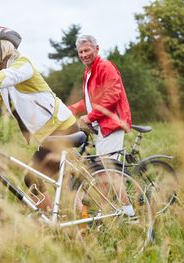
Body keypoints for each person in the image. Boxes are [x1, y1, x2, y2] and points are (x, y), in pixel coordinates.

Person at [0, 25, 79, 212]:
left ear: (3, 46)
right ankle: (56, 219)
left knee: (33, 178)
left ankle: (59, 225)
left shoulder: (22, 65)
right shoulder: (4, 78)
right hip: (48, 135)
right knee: (54, 179)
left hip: (62, 128)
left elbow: (9, 76)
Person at [68, 35, 135, 217]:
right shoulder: (89, 72)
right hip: (101, 126)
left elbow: (112, 96)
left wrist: (90, 117)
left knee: (107, 173)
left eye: (87, 50)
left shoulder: (104, 66)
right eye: (80, 52)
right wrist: (69, 110)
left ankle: (127, 215)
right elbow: (89, 101)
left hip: (112, 124)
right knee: (106, 172)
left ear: (96, 49)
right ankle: (108, 213)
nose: (83, 54)